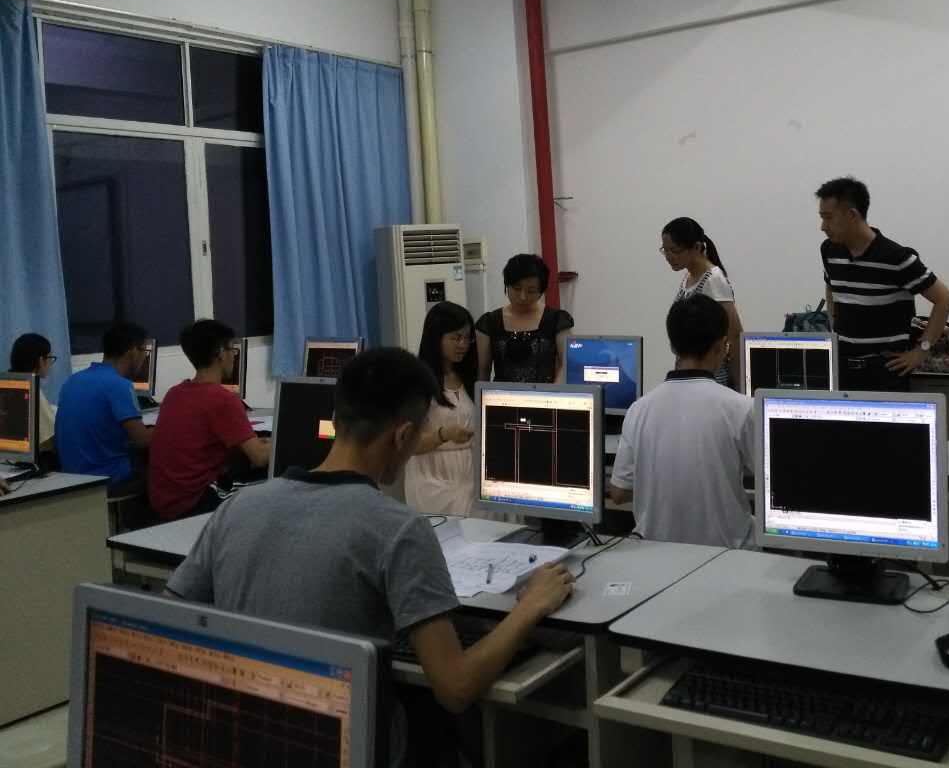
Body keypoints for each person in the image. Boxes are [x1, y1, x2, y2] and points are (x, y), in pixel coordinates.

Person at [167, 348, 573, 767]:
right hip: (345, 747)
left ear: (337, 418)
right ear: (402, 437)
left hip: (245, 738)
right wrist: (529, 607)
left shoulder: (238, 507)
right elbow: (456, 688)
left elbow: (168, 616)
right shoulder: (397, 529)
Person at [609, 295, 753, 548]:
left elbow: (619, 493)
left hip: (653, 552)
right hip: (727, 554)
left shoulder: (638, 410)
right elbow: (770, 481)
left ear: (672, 347)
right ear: (722, 346)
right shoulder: (741, 408)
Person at [816, 177, 949, 392]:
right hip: (842, 367)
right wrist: (834, 325)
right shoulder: (829, 250)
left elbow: (944, 299)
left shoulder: (897, 257)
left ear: (852, 215)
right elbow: (831, 286)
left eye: (828, 218)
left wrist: (922, 350)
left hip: (885, 371)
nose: (823, 227)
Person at [147, 320, 271, 521]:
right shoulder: (222, 399)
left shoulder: (174, 393)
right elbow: (260, 458)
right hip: (195, 502)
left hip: (164, 501)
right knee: (279, 486)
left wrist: (256, 442)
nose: (234, 356)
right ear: (220, 353)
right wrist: (282, 442)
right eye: (232, 350)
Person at [55, 321, 152, 486]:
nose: (145, 357)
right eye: (144, 351)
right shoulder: (120, 385)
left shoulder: (73, 380)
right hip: (107, 478)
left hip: (72, 478)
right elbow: (142, 440)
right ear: (132, 350)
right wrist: (171, 423)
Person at [406, 302, 480, 516]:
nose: (463, 344)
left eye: (467, 338)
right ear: (436, 338)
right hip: (432, 479)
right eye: (456, 338)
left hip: (470, 475)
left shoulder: (470, 378)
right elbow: (409, 444)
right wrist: (444, 434)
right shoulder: (417, 381)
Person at [661, 217, 743, 389]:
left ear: (697, 247)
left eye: (674, 250)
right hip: (689, 374)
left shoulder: (713, 279)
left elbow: (734, 335)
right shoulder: (689, 277)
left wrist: (739, 384)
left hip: (711, 376)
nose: (668, 257)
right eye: (665, 250)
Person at [476, 254, 573, 384]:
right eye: (517, 289)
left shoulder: (557, 320)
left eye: (531, 291)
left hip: (546, 395)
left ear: (541, 291)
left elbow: (567, 364)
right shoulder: (490, 322)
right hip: (501, 395)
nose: (522, 297)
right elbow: (483, 370)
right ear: (507, 285)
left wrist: (554, 392)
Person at [9, 332, 58, 453]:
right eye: (50, 358)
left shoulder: (9, 382)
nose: (50, 364)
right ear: (41, 361)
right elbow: (48, 440)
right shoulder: (31, 389)